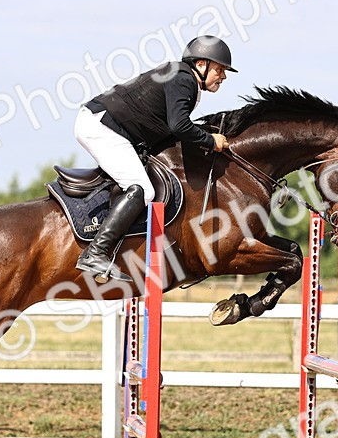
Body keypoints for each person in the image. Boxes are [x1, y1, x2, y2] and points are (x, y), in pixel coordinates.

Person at [73, 35, 236, 283]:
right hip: (102, 127)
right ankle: (95, 253)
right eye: (220, 69)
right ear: (201, 64)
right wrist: (210, 141)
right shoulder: (184, 79)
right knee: (142, 190)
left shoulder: (183, 78)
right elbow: (180, 126)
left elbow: (173, 129)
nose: (223, 76)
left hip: (111, 126)